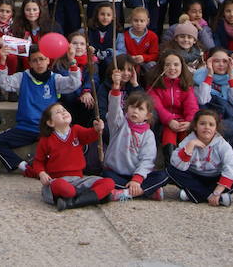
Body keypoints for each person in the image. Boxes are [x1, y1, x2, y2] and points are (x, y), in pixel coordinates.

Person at [0, 44, 82, 173]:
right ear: (30, 63)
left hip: (49, 129)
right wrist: (2, 61)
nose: (39, 63)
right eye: (35, 60)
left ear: (48, 60)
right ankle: (24, 166)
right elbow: (3, 82)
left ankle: (50, 167)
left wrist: (72, 61)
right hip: (26, 128)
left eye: (42, 59)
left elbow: (74, 84)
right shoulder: (23, 77)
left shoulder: (55, 79)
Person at [32, 103, 114, 211]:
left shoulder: (76, 130)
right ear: (50, 122)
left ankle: (72, 203)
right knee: (65, 188)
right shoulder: (46, 140)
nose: (63, 112)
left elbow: (91, 135)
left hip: (79, 180)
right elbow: (38, 161)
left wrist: (97, 129)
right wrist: (41, 173)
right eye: (58, 112)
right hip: (58, 180)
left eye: (64, 109)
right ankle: (92, 198)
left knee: (109, 183)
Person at [102, 73, 167, 201]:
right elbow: (114, 110)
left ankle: (127, 193)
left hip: (137, 176)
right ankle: (146, 192)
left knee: (163, 176)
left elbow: (147, 159)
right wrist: (116, 88)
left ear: (147, 115)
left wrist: (137, 180)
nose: (135, 111)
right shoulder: (119, 123)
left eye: (140, 109)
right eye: (132, 107)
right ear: (127, 109)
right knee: (105, 177)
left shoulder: (148, 135)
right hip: (116, 173)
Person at [166, 109, 233, 206]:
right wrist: (191, 145)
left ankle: (195, 194)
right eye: (202, 124)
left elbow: (231, 167)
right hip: (195, 177)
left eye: (211, 124)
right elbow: (176, 163)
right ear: (195, 126)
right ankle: (212, 197)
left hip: (216, 178)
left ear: (216, 128)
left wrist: (217, 191)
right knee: (171, 170)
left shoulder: (222, 145)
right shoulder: (189, 140)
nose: (207, 127)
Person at [148, 51, 199, 159]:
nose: (172, 68)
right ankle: (169, 162)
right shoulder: (155, 85)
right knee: (169, 133)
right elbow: (157, 106)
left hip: (182, 120)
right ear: (162, 67)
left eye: (176, 64)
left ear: (182, 66)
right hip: (165, 121)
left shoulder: (186, 86)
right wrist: (169, 120)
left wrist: (190, 121)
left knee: (185, 134)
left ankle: (185, 162)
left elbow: (191, 105)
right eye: (167, 65)